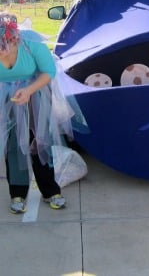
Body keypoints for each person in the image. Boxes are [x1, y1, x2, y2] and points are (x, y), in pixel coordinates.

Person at [0, 12, 87, 214]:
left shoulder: (31, 42)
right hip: (5, 97)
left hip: (35, 93)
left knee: (39, 142)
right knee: (13, 145)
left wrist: (28, 91)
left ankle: (50, 191)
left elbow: (49, 71)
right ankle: (17, 193)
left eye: (4, 47)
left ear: (14, 40)